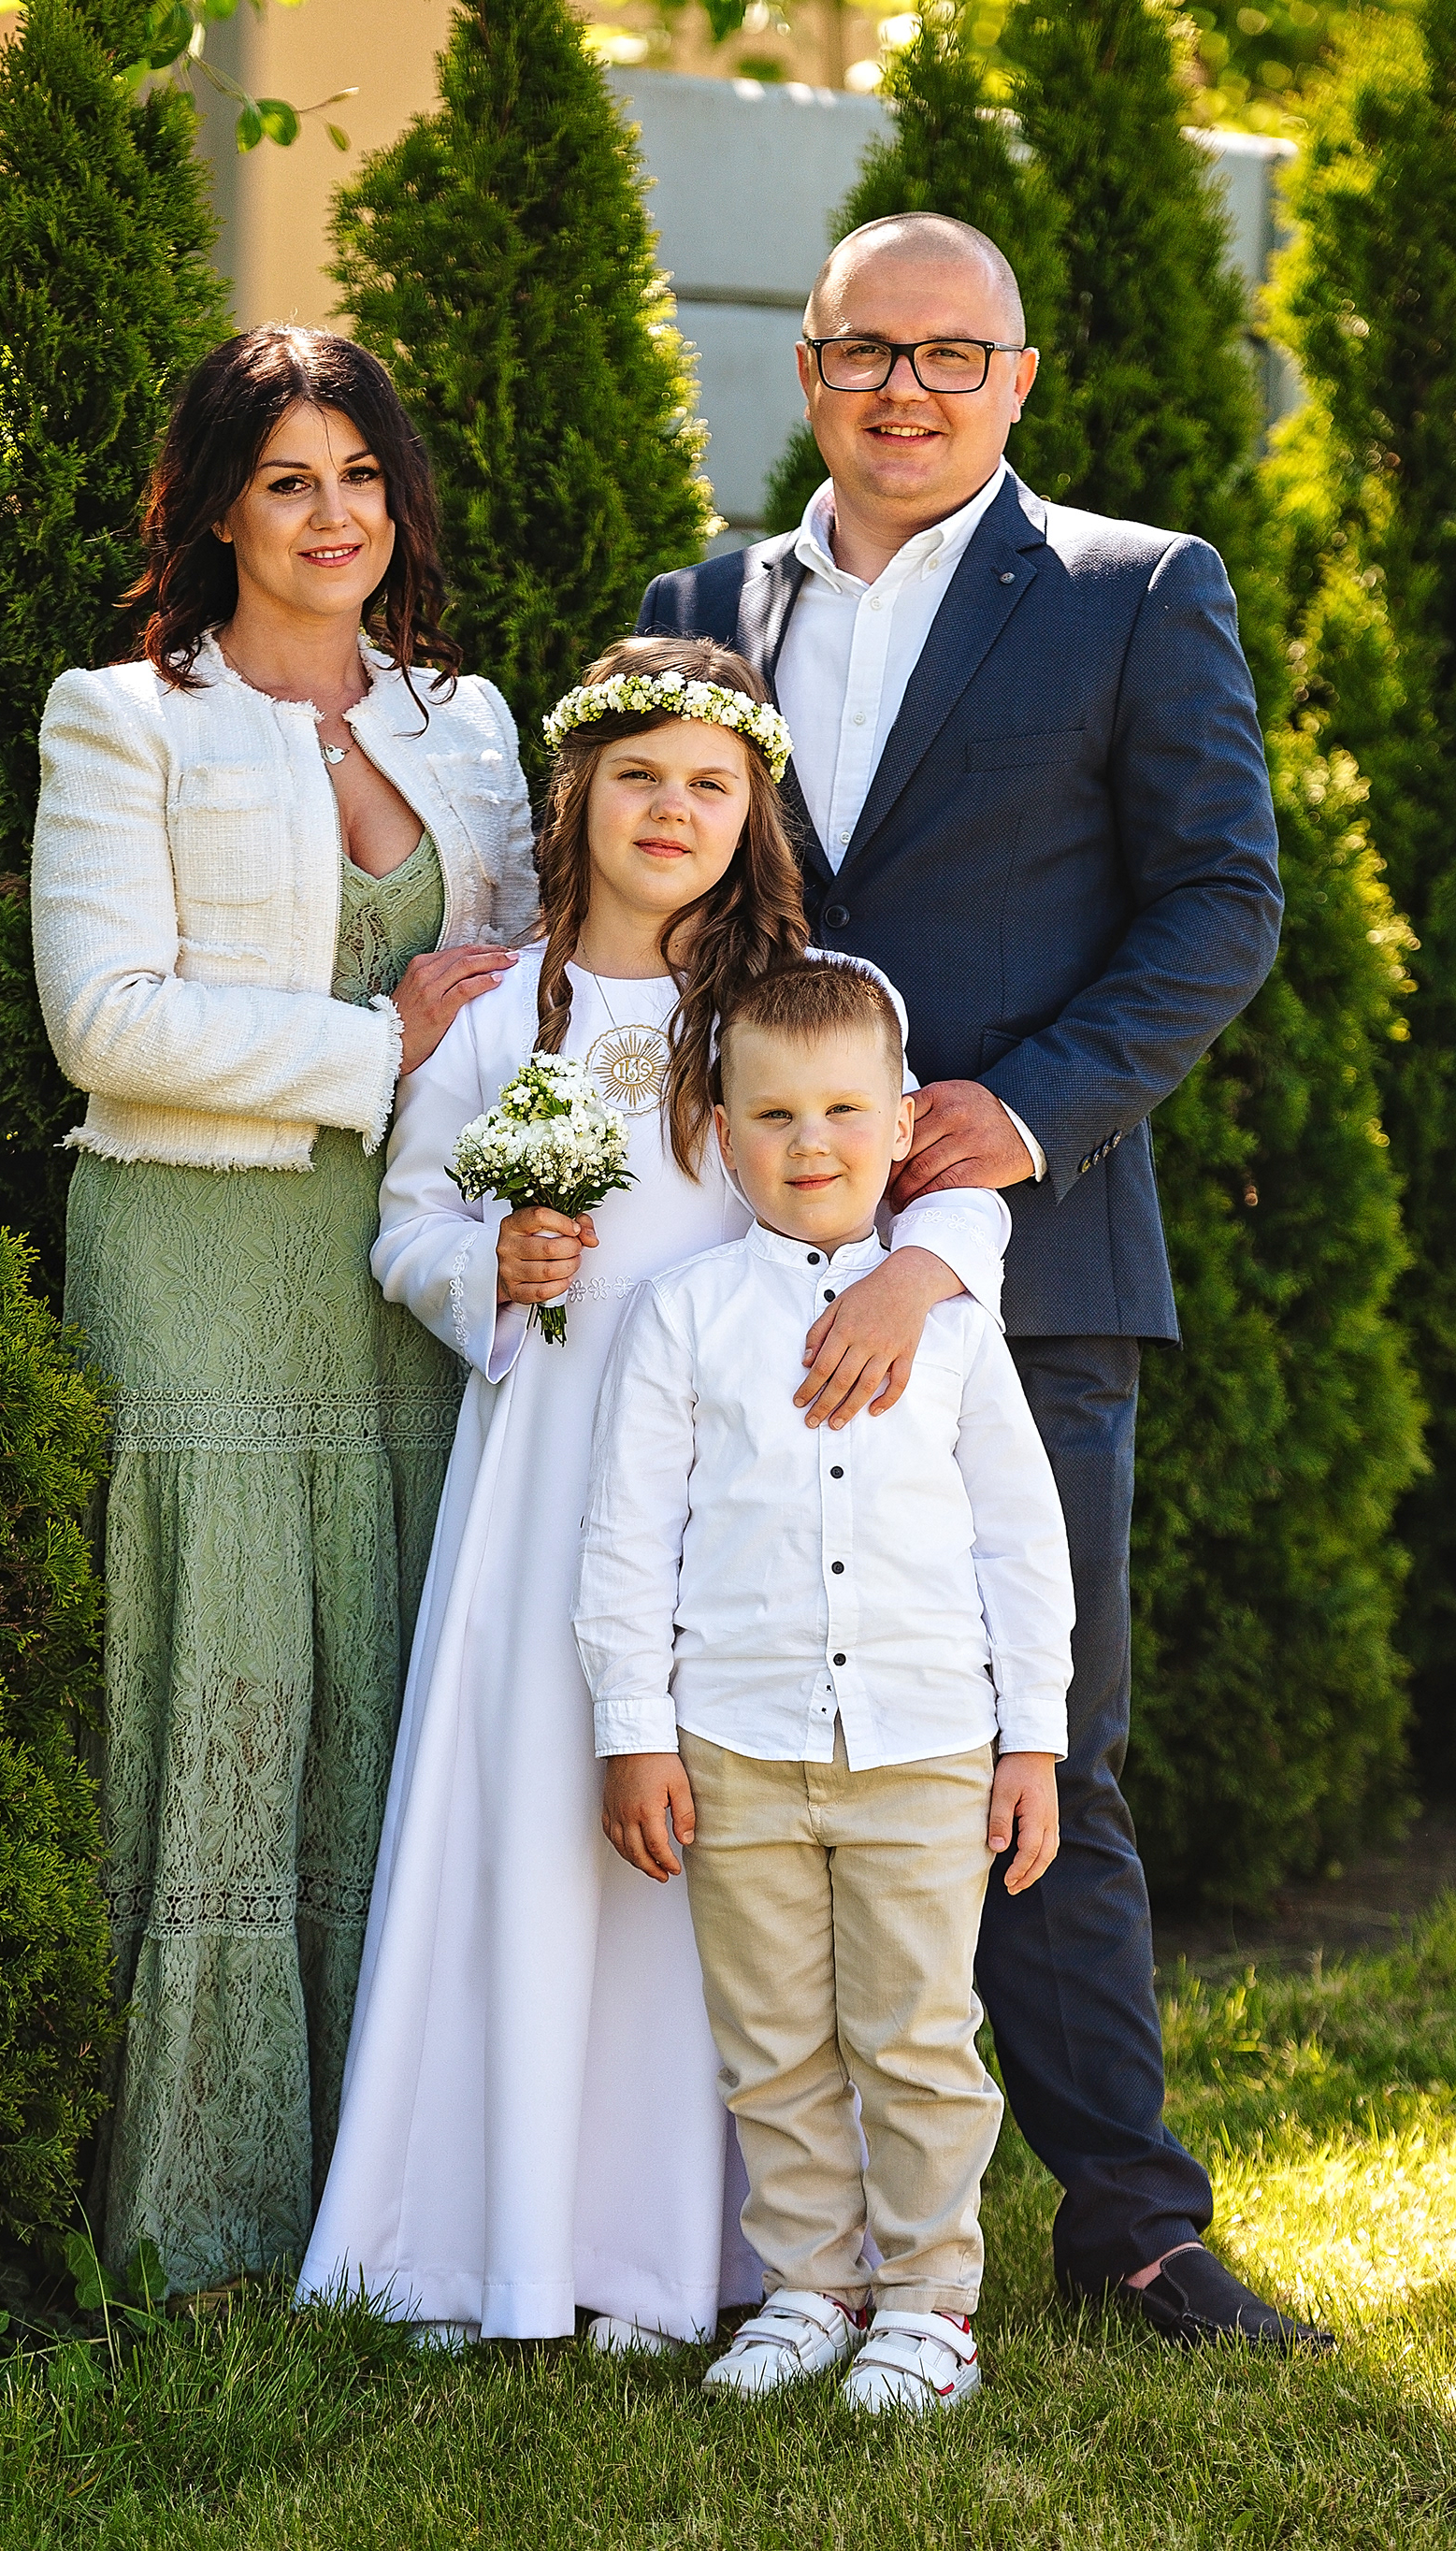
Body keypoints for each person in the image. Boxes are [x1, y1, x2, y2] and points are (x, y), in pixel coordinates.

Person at [639, 213, 1332, 2350]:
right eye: (869, 350)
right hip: (737, 1283)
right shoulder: (697, 613)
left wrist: (1021, 1116)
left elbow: (1222, 903)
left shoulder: (1135, 591)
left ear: (1018, 380)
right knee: (732, 1727)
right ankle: (753, 2230)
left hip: (1030, 1275)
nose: (908, 389)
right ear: (810, 370)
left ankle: (1128, 2223)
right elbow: (641, 882)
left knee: (1046, 1744)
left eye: (956, 355)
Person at [296, 637, 1006, 2345]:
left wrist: (925, 1277)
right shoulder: (499, 1011)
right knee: (559, 1827)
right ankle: (527, 2243)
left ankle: (733, 2258)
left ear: (754, 808)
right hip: (555, 1480)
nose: (671, 811)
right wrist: (491, 1266)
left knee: (732, 1861)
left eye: (709, 783)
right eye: (638, 777)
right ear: (576, 798)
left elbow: (941, 1178)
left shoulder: (803, 1000)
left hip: (763, 1489)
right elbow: (407, 1225)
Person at [30, 324, 534, 2294]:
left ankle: (395, 2203)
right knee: (231, 1681)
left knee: (390, 1678)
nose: (335, 516)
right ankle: (204, 2217)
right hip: (202, 1253)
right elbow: (105, 1022)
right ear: (219, 510)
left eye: (362, 476)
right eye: (289, 481)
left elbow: (526, 982)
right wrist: (370, 1044)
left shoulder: (466, 723)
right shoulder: (126, 718)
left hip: (411, 1262)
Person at [576, 958, 1074, 2410]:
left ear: (905, 1124)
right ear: (722, 1132)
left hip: (924, 1741)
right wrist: (634, 1732)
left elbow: (1020, 1542)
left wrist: (1032, 1741)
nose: (812, 1145)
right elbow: (627, 1539)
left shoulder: (952, 1325)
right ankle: (809, 2286)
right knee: (774, 2039)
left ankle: (930, 2304)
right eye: (776, 1115)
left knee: (915, 2035)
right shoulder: (681, 1317)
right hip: (735, 1740)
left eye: (847, 1111)